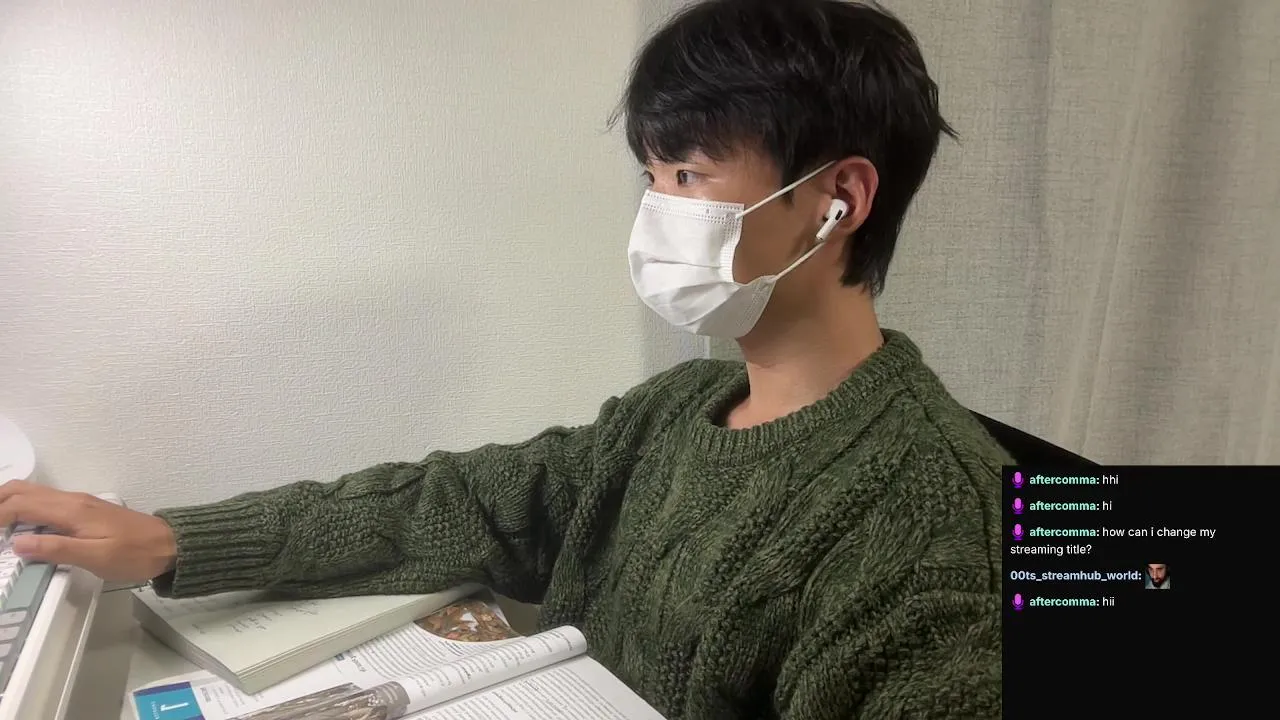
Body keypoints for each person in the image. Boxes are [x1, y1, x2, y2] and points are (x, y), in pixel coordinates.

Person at [0, 0, 1006, 717]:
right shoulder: (675, 412)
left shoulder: (944, 525)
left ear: (837, 202)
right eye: (651, 174)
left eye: (689, 174)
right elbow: (454, 503)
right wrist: (176, 541)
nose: (656, 208)